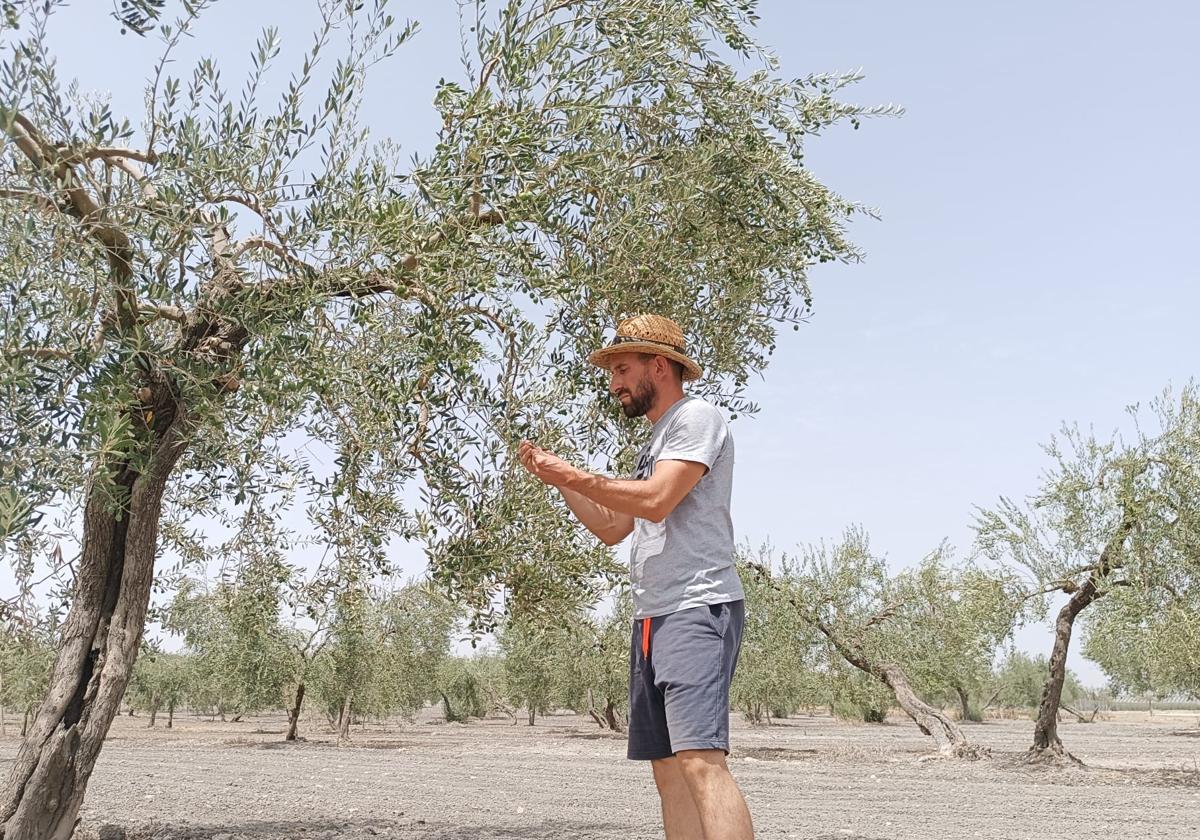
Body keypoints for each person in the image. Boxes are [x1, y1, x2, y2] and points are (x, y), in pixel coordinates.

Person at [518, 313, 753, 840]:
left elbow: (655, 501)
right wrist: (557, 480)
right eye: (611, 373)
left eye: (623, 368)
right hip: (652, 615)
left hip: (696, 606)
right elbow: (612, 527)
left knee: (700, 762)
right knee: (668, 770)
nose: (614, 383)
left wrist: (573, 474)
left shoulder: (698, 417)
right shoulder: (654, 443)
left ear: (661, 366)